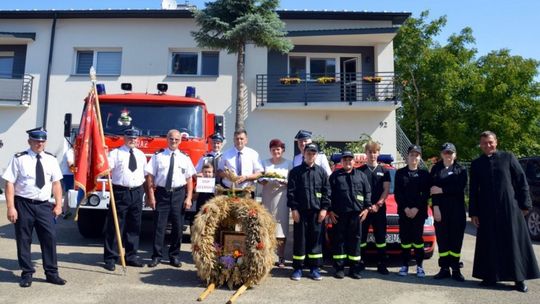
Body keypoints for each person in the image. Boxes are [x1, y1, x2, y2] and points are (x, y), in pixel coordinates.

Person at [469, 131, 540, 292]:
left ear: (496, 142)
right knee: (490, 243)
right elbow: (473, 190)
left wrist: (525, 205)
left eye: (490, 142)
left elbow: (522, 181)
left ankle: (519, 279)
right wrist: (473, 212)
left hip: (510, 208)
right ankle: (489, 276)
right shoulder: (477, 164)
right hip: (486, 210)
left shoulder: (508, 158)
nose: (488, 145)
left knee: (513, 244)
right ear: (480, 145)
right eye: (484, 143)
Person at [2, 127, 67, 287]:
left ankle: (52, 273)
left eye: (42, 141)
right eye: (36, 140)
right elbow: (9, 183)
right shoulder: (19, 159)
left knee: (49, 238)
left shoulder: (51, 159)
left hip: (44, 205)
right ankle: (27, 273)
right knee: (24, 240)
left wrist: (59, 204)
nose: (39, 143)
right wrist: (11, 207)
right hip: (24, 204)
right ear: (29, 141)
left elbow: (56, 183)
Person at [145, 129, 196, 268]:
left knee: (178, 227)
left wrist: (189, 198)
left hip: (179, 194)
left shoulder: (185, 158)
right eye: (171, 139)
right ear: (167, 139)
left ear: (180, 141)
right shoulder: (158, 156)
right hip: (162, 193)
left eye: (176, 139)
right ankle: (156, 256)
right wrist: (151, 196)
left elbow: (189, 179)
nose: (174, 141)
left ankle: (174, 256)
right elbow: (149, 176)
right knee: (158, 227)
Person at [103, 128, 148, 271]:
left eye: (135, 138)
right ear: (124, 137)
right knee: (115, 226)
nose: (132, 140)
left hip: (136, 192)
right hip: (120, 192)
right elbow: (106, 170)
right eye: (130, 137)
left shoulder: (141, 155)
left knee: (134, 226)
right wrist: (103, 156)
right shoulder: (115, 153)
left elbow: (145, 175)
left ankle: (131, 256)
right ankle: (111, 258)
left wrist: (147, 193)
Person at [287, 143, 330, 281]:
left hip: (317, 213)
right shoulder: (295, 172)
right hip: (300, 212)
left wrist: (324, 209)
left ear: (316, 155)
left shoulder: (322, 172)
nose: (311, 155)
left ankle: (314, 269)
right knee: (300, 240)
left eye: (313, 153)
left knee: (316, 241)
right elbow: (291, 193)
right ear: (304, 154)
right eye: (308, 153)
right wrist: (293, 209)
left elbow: (326, 192)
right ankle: (298, 268)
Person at [328, 151, 371, 279]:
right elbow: (328, 194)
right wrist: (330, 210)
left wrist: (367, 209)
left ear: (354, 161)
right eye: (345, 160)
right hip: (339, 215)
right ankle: (339, 268)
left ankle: (354, 269)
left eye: (350, 160)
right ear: (341, 162)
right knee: (339, 241)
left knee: (355, 241)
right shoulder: (335, 176)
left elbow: (367, 193)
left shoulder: (361, 176)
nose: (347, 162)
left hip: (356, 215)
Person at [430, 143, 467, 282]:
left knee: (456, 240)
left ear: (455, 155)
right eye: (445, 152)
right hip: (441, 209)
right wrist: (436, 208)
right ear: (441, 154)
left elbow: (460, 187)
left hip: (457, 210)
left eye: (450, 153)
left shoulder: (461, 169)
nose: (448, 155)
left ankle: (456, 269)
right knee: (443, 240)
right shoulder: (436, 169)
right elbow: (433, 190)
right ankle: (444, 268)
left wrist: (442, 190)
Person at [394, 145, 430, 277]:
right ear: (407, 157)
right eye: (411, 155)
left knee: (417, 239)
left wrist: (416, 208)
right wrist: (405, 208)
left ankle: (419, 266)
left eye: (417, 155)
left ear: (420, 158)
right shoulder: (400, 173)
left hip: (418, 212)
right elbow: (398, 193)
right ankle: (405, 265)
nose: (414, 157)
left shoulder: (424, 174)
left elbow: (426, 194)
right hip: (404, 212)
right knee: (405, 239)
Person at [358, 141, 391, 275]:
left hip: (379, 209)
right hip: (363, 210)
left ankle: (382, 264)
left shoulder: (384, 171)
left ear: (378, 153)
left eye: (375, 152)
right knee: (362, 237)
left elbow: (386, 189)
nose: (372, 154)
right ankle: (361, 262)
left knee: (380, 237)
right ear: (366, 153)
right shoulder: (359, 171)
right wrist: (366, 207)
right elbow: (358, 191)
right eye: (370, 152)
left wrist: (378, 205)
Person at [260, 139, 293, 268]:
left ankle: (281, 257)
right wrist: (263, 181)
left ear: (282, 150)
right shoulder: (264, 163)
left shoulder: (289, 164)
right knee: (266, 227)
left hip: (282, 199)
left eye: (278, 149)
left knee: (281, 228)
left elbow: (292, 182)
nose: (276, 151)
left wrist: (285, 183)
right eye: (273, 149)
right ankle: (267, 256)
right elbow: (260, 179)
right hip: (267, 198)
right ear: (270, 150)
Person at [218, 129, 262, 194]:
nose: (239, 141)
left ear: (246, 140)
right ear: (233, 140)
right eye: (237, 139)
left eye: (241, 139)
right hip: (229, 190)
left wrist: (246, 177)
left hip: (247, 191)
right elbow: (219, 171)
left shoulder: (253, 154)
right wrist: (228, 176)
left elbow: (259, 173)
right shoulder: (226, 154)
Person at [58, 138, 74, 219]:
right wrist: (77, 172)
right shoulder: (70, 152)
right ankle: (64, 211)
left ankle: (65, 210)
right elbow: (70, 164)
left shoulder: (73, 152)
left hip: (70, 174)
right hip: (68, 175)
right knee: (68, 192)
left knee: (68, 192)